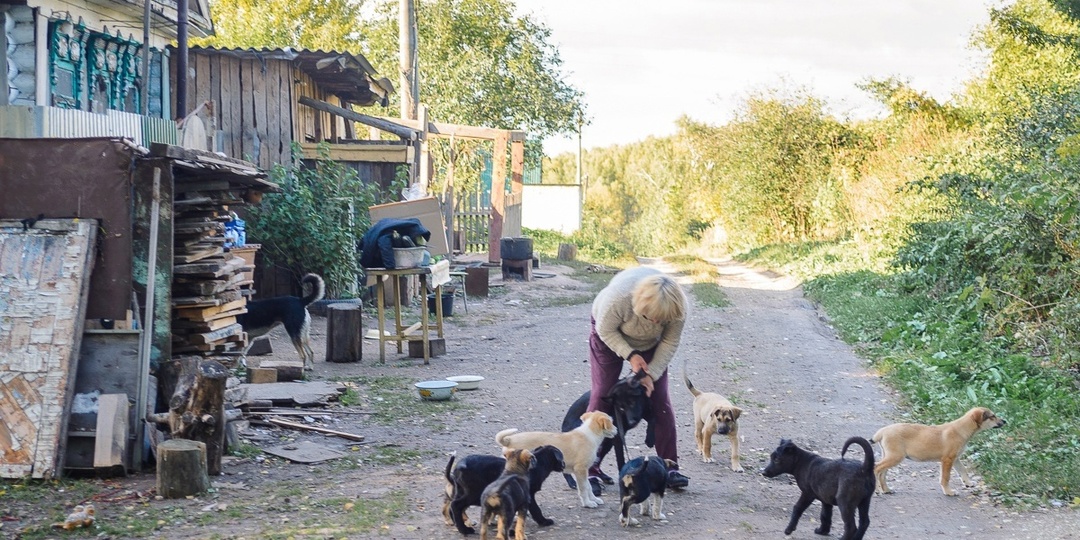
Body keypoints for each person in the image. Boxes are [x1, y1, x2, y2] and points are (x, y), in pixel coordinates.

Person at [587, 266, 690, 489]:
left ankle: (669, 467)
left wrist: (650, 375)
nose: (654, 324)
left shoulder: (677, 309)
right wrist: (631, 356)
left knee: (660, 399)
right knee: (603, 394)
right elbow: (606, 331)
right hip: (610, 336)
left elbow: (669, 343)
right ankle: (589, 467)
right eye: (649, 317)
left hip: (652, 346)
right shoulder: (619, 298)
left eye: (659, 321)